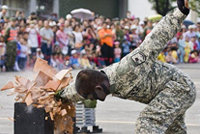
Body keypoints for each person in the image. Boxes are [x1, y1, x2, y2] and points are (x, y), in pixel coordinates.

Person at [57, 1, 196, 133]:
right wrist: (56, 96)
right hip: (166, 93)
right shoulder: (98, 82)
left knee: (148, 123)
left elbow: (153, 41)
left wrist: (179, 13)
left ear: (98, 89)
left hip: (178, 87)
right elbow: (74, 91)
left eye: (93, 97)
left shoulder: (128, 68)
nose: (93, 100)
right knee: (173, 131)